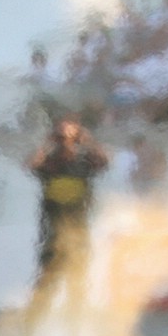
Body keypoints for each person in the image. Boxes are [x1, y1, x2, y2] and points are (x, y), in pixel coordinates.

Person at [25, 116, 109, 319]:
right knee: (46, 282)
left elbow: (103, 161)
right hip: (52, 233)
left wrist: (87, 141)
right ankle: (32, 324)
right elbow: (32, 164)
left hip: (78, 232)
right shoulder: (51, 164)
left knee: (77, 281)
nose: (65, 143)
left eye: (70, 138)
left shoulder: (84, 164)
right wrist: (48, 143)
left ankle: (76, 322)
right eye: (62, 138)